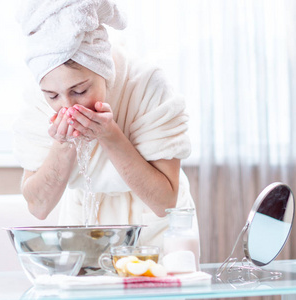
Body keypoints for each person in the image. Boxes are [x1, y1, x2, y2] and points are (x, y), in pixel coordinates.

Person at [13, 0, 199, 248]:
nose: (67, 107)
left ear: (103, 69)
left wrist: (111, 136)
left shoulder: (147, 84)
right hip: (83, 224)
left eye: (79, 90)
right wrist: (63, 144)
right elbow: (38, 207)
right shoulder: (37, 101)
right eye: (53, 96)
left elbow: (165, 202)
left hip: (158, 230)